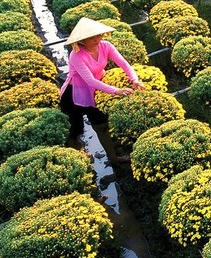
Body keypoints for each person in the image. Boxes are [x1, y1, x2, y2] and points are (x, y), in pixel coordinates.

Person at [60, 17, 146, 160]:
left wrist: (134, 79)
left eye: (98, 35)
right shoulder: (76, 55)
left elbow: (123, 63)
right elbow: (89, 80)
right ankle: (77, 159)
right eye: (92, 37)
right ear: (82, 40)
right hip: (74, 95)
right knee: (75, 129)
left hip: (97, 91)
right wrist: (116, 90)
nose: (97, 39)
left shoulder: (106, 46)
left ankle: (113, 158)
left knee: (101, 125)